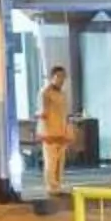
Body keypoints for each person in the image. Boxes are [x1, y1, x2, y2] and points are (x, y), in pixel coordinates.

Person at [38, 66, 72, 199]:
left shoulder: (62, 94)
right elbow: (43, 113)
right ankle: (51, 187)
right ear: (52, 77)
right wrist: (44, 131)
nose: (61, 79)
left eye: (64, 77)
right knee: (51, 161)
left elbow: (65, 114)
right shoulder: (45, 93)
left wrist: (67, 131)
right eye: (59, 76)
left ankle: (58, 185)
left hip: (61, 131)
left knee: (60, 161)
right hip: (49, 133)